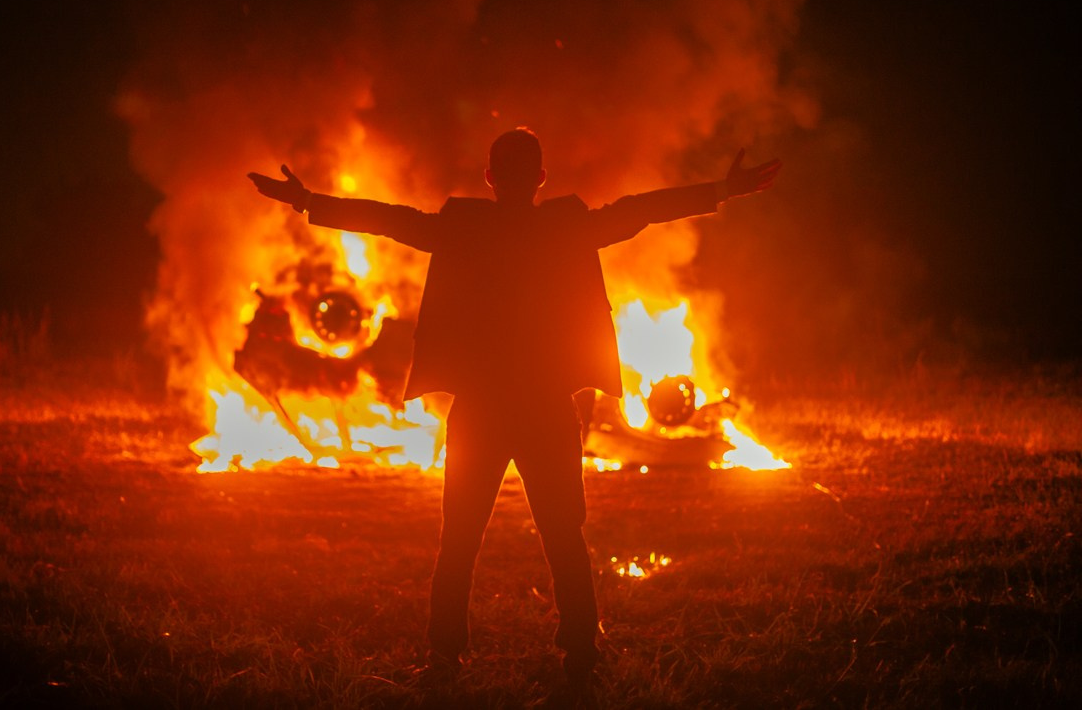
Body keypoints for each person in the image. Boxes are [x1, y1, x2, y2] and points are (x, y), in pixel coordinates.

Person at [248, 128, 780, 686]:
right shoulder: (568, 225)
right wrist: (721, 189)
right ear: (541, 178)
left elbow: (385, 219)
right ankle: (581, 655)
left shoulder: (462, 227)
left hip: (481, 407)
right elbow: (643, 209)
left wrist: (308, 201)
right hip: (546, 407)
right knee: (563, 535)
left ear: (489, 177)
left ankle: (445, 658)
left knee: (459, 539)